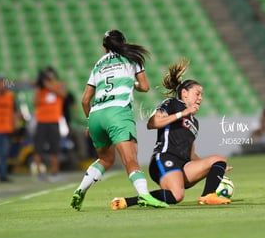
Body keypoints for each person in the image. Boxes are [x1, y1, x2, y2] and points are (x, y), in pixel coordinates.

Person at [110, 58, 232, 210]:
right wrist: (183, 113)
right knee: (177, 195)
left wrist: (214, 169)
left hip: (184, 164)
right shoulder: (172, 104)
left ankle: (208, 196)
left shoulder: (195, 121)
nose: (200, 98)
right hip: (164, 158)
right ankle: (129, 201)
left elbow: (192, 154)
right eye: (197, 93)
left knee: (219, 160)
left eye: (202, 95)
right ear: (184, 93)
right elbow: (152, 123)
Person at [70, 29, 169, 211]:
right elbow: (145, 87)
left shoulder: (98, 64)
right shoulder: (132, 58)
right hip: (118, 113)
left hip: (96, 115)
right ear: (123, 42)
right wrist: (133, 82)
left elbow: (85, 100)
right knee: (130, 159)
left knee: (105, 159)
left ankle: (80, 189)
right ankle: (145, 195)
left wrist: (89, 122)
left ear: (103, 48)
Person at [32, 66, 66, 181]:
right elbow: (34, 103)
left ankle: (55, 173)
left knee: (54, 149)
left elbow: (63, 94)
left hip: (54, 121)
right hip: (41, 121)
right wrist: (39, 88)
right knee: (38, 148)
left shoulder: (58, 85)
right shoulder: (40, 89)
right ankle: (39, 174)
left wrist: (49, 86)